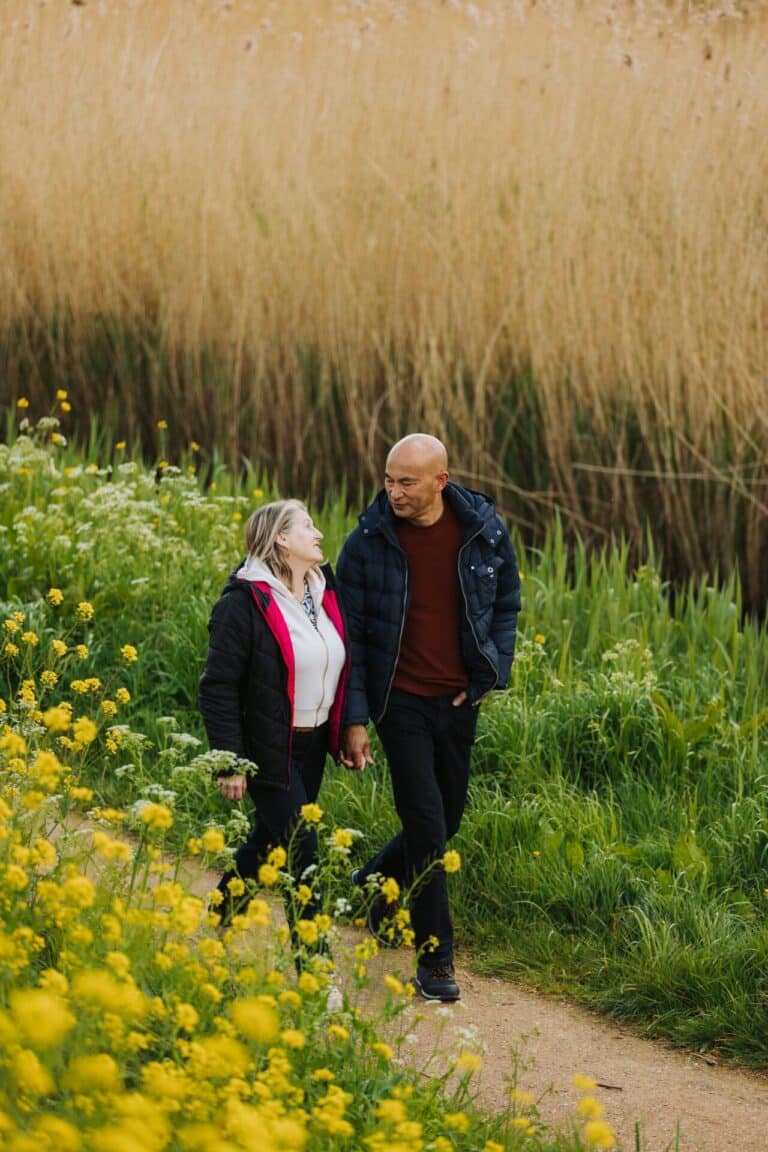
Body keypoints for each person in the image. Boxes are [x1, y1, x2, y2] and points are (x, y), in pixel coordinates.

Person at [337, 433, 521, 1002]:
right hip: (402, 704)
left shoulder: (482, 531)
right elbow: (354, 639)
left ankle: (371, 885)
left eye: (406, 482)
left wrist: (489, 676)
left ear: (440, 481)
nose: (393, 491)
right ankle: (435, 959)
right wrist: (356, 718)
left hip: (458, 700)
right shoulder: (367, 543)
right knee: (425, 827)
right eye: (389, 479)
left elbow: (507, 603)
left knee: (449, 817)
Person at [198, 499, 348, 970]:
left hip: (314, 743)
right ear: (281, 539)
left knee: (269, 841)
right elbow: (217, 688)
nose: (319, 533)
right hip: (268, 746)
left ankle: (221, 913)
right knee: (304, 847)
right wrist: (231, 761)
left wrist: (346, 728)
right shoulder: (244, 602)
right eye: (308, 525)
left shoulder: (323, 590)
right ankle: (314, 967)